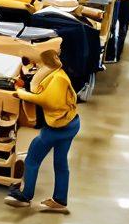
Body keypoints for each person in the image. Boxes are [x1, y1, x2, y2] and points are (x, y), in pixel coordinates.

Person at [6, 51, 80, 214]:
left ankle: (25, 196)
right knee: (60, 162)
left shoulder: (58, 79)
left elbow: (45, 99)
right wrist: (26, 85)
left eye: (38, 63)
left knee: (32, 158)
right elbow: (42, 89)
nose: (36, 66)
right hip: (70, 123)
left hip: (57, 128)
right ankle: (60, 199)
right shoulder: (58, 73)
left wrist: (20, 92)